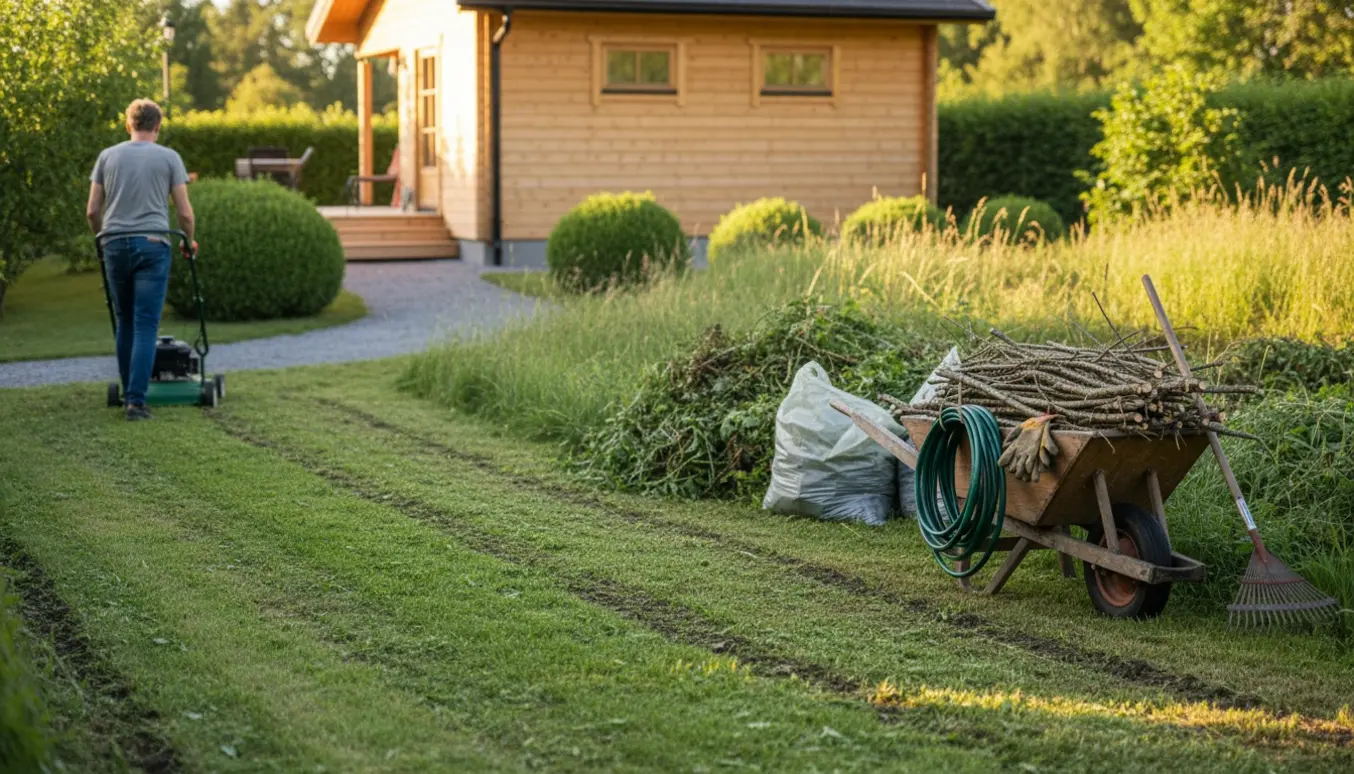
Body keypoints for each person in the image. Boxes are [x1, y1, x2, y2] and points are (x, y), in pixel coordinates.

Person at [86, 99, 196, 421]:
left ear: (128, 124)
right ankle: (136, 402)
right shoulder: (169, 157)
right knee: (146, 323)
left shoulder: (107, 156)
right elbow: (185, 214)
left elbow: (92, 211)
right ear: (157, 126)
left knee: (125, 321)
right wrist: (188, 241)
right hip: (153, 244)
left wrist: (101, 240)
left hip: (114, 244)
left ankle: (128, 394)